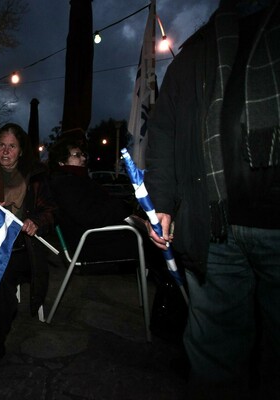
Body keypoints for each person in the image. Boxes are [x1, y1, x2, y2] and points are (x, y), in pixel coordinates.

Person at [144, 1, 280, 398]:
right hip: (214, 228)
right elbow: (163, 130)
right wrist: (162, 203)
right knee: (213, 355)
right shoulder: (196, 52)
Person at [48, 137, 185, 342]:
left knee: (155, 243)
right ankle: (169, 315)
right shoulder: (66, 182)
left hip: (96, 237)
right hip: (88, 244)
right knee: (158, 246)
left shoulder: (76, 179)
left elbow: (98, 209)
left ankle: (169, 307)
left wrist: (127, 212)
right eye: (77, 155)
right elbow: (89, 216)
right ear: (62, 161)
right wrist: (124, 211)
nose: (84, 157)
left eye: (83, 154)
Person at [0, 123, 56, 373]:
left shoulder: (35, 176)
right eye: (1, 145)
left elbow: (49, 210)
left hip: (22, 250)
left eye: (12, 146)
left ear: (21, 151)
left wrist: (35, 221)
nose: (5, 151)